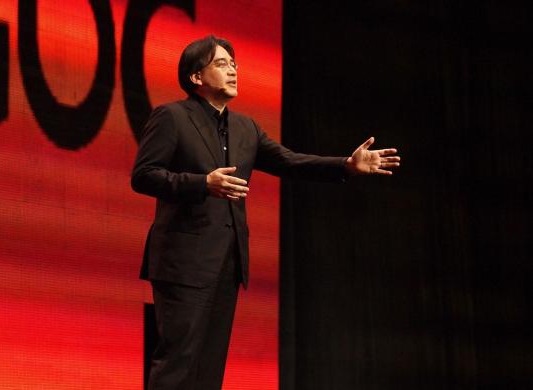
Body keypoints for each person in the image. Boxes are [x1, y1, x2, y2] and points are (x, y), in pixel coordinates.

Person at [131, 35, 400, 390]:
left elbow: (289, 161)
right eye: (222, 64)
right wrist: (202, 183)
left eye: (234, 65)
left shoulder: (246, 128)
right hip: (184, 262)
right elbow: (144, 175)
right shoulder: (172, 117)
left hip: (227, 263)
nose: (233, 71)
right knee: (178, 362)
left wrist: (346, 166)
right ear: (196, 77)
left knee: (209, 370)